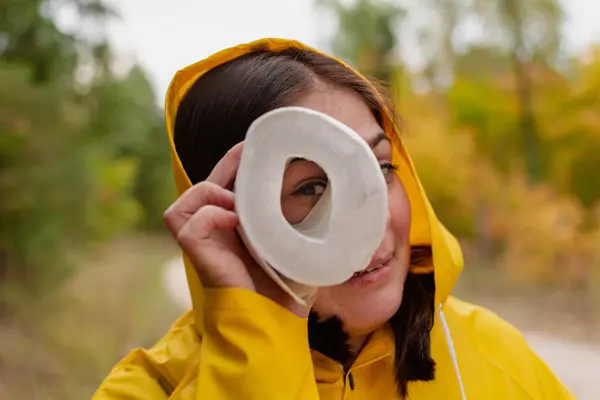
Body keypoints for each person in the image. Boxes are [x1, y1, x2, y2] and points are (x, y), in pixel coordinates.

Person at [92, 38, 574, 400]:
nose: (376, 222)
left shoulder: (495, 361)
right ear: (224, 214)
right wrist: (253, 344)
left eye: (381, 168)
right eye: (309, 188)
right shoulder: (150, 390)